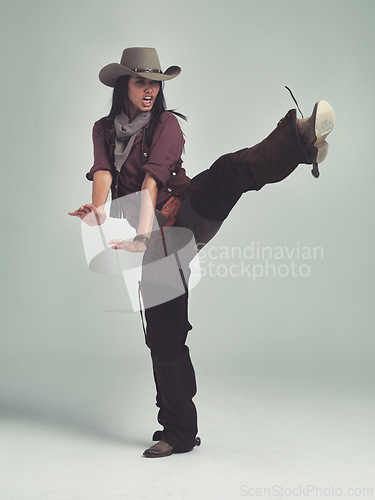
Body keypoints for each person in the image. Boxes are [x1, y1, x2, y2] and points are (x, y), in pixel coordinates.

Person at [69, 47, 335, 458]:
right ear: (124, 85)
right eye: (141, 82)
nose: (150, 91)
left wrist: (140, 233)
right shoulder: (103, 128)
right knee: (164, 334)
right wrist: (101, 212)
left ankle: (300, 140)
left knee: (227, 172)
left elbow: (152, 185)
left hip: (187, 210)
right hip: (159, 243)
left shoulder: (167, 125)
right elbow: (103, 170)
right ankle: (178, 433)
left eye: (155, 83)